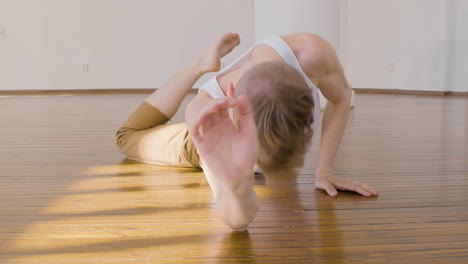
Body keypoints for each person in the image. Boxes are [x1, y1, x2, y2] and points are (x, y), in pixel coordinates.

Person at [116, 32, 379, 230]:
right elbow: (236, 221)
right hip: (206, 142)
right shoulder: (204, 119)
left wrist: (324, 170)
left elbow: (342, 95)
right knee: (127, 137)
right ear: (231, 101)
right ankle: (197, 66)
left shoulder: (312, 53)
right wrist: (233, 186)